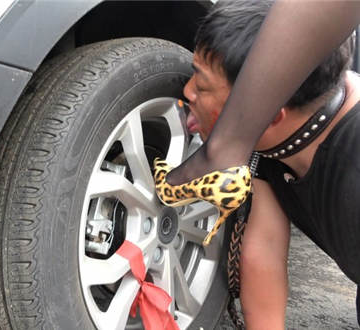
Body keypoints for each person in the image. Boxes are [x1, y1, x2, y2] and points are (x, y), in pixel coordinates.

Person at [154, 0, 360, 328]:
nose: (187, 91)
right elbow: (264, 247)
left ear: (270, 113)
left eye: (202, 86)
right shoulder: (273, 143)